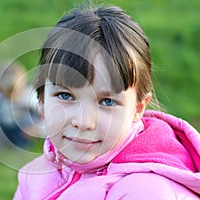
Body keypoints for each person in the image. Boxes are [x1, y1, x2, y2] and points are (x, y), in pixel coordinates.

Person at [13, 4, 200, 199]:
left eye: (107, 102)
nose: (84, 122)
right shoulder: (34, 176)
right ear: (41, 100)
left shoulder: (149, 192)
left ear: (138, 107)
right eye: (65, 96)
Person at [0, 62, 42, 149]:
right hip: (1, 126)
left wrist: (36, 129)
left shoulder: (29, 96)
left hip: (21, 130)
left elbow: (45, 115)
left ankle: (19, 146)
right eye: (7, 93)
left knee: (29, 117)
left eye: (15, 93)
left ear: (23, 86)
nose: (10, 98)